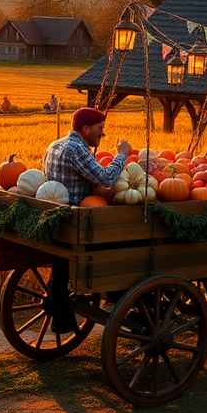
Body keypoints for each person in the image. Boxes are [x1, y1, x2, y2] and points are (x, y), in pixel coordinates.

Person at [42, 107, 131, 333]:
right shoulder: (76, 150)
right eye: (100, 129)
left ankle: (64, 312)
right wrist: (122, 153)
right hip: (77, 221)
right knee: (122, 239)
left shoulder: (55, 145)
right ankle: (115, 295)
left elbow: (73, 179)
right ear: (86, 128)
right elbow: (106, 176)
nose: (102, 134)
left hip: (59, 219)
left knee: (61, 268)